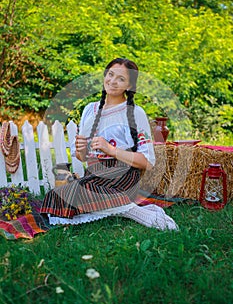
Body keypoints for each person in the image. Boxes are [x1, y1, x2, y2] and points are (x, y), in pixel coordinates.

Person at [40, 58, 178, 230]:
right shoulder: (90, 110)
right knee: (58, 195)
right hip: (95, 174)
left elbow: (147, 162)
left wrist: (111, 149)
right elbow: (82, 157)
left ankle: (137, 213)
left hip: (124, 176)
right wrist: (81, 150)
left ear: (129, 86)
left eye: (121, 79)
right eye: (110, 75)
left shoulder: (136, 112)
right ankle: (129, 209)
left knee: (81, 192)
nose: (112, 81)